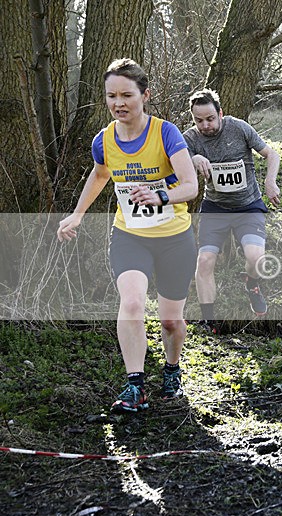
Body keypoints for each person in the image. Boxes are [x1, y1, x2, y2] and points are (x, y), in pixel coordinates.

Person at [57, 58, 198, 413]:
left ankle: (172, 369)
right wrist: (77, 214)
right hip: (129, 236)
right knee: (132, 303)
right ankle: (135, 384)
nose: (118, 103)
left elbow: (190, 185)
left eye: (126, 95)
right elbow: (100, 175)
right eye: (111, 96)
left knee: (170, 321)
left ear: (144, 95)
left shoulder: (166, 133)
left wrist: (160, 195)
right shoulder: (104, 140)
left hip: (174, 238)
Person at [183, 89, 280, 328]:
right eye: (199, 120)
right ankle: (209, 321)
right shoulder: (190, 139)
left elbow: (271, 154)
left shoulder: (238, 128)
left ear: (220, 114)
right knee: (205, 261)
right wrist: (192, 158)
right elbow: (175, 164)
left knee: (255, 257)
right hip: (215, 208)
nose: (205, 125)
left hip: (248, 207)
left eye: (210, 119)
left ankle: (252, 284)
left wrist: (270, 181)